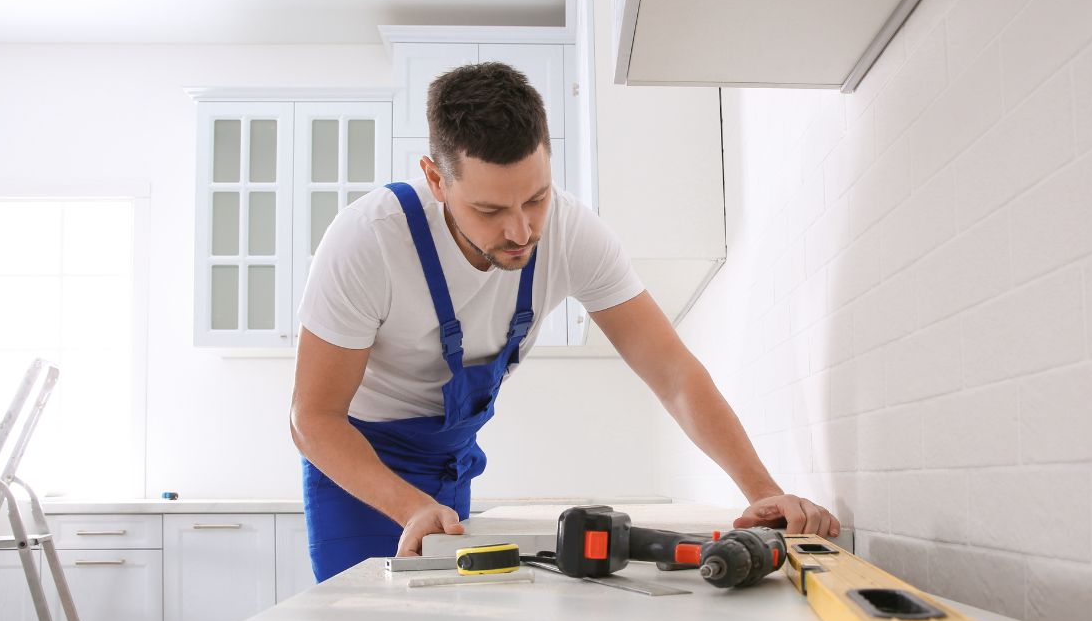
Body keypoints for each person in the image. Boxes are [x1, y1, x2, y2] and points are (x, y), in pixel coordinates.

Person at [289, 62, 840, 582]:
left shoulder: (575, 235)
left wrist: (762, 490)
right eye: (489, 211)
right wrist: (407, 504)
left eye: (536, 197)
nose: (522, 230)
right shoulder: (369, 242)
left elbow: (673, 374)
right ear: (436, 180)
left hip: (448, 465)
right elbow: (313, 419)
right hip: (355, 462)